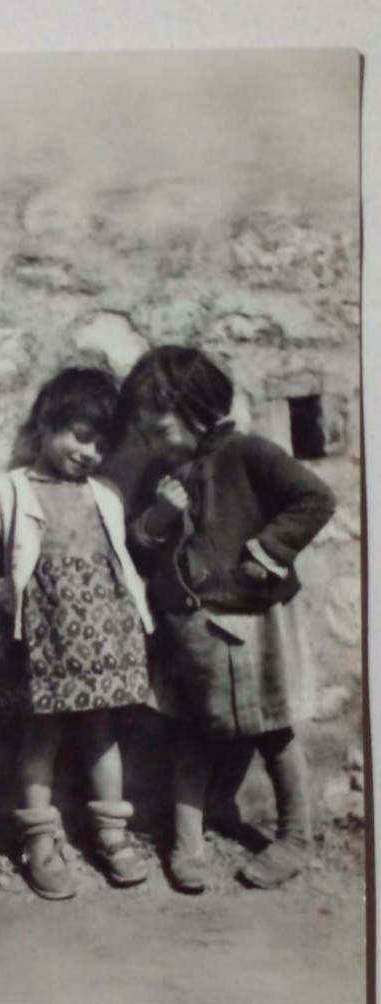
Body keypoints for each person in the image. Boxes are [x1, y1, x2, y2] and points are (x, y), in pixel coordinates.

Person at [121, 346, 335, 893]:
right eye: (144, 433)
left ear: (196, 408)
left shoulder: (248, 455)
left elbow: (314, 498)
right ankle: (186, 843)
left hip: (253, 624)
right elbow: (139, 547)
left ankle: (294, 837)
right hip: (187, 631)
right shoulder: (159, 475)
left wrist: (263, 554)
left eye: (159, 428)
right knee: (188, 734)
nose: (152, 442)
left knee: (275, 729)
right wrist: (158, 517)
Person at [0, 367, 154, 899]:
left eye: (101, 444)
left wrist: (139, 627)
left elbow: (122, 562)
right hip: (40, 639)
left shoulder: (105, 494)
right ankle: (40, 841)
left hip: (102, 637)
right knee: (40, 734)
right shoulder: (7, 492)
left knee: (101, 732)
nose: (89, 452)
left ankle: (112, 835)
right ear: (46, 424)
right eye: (79, 435)